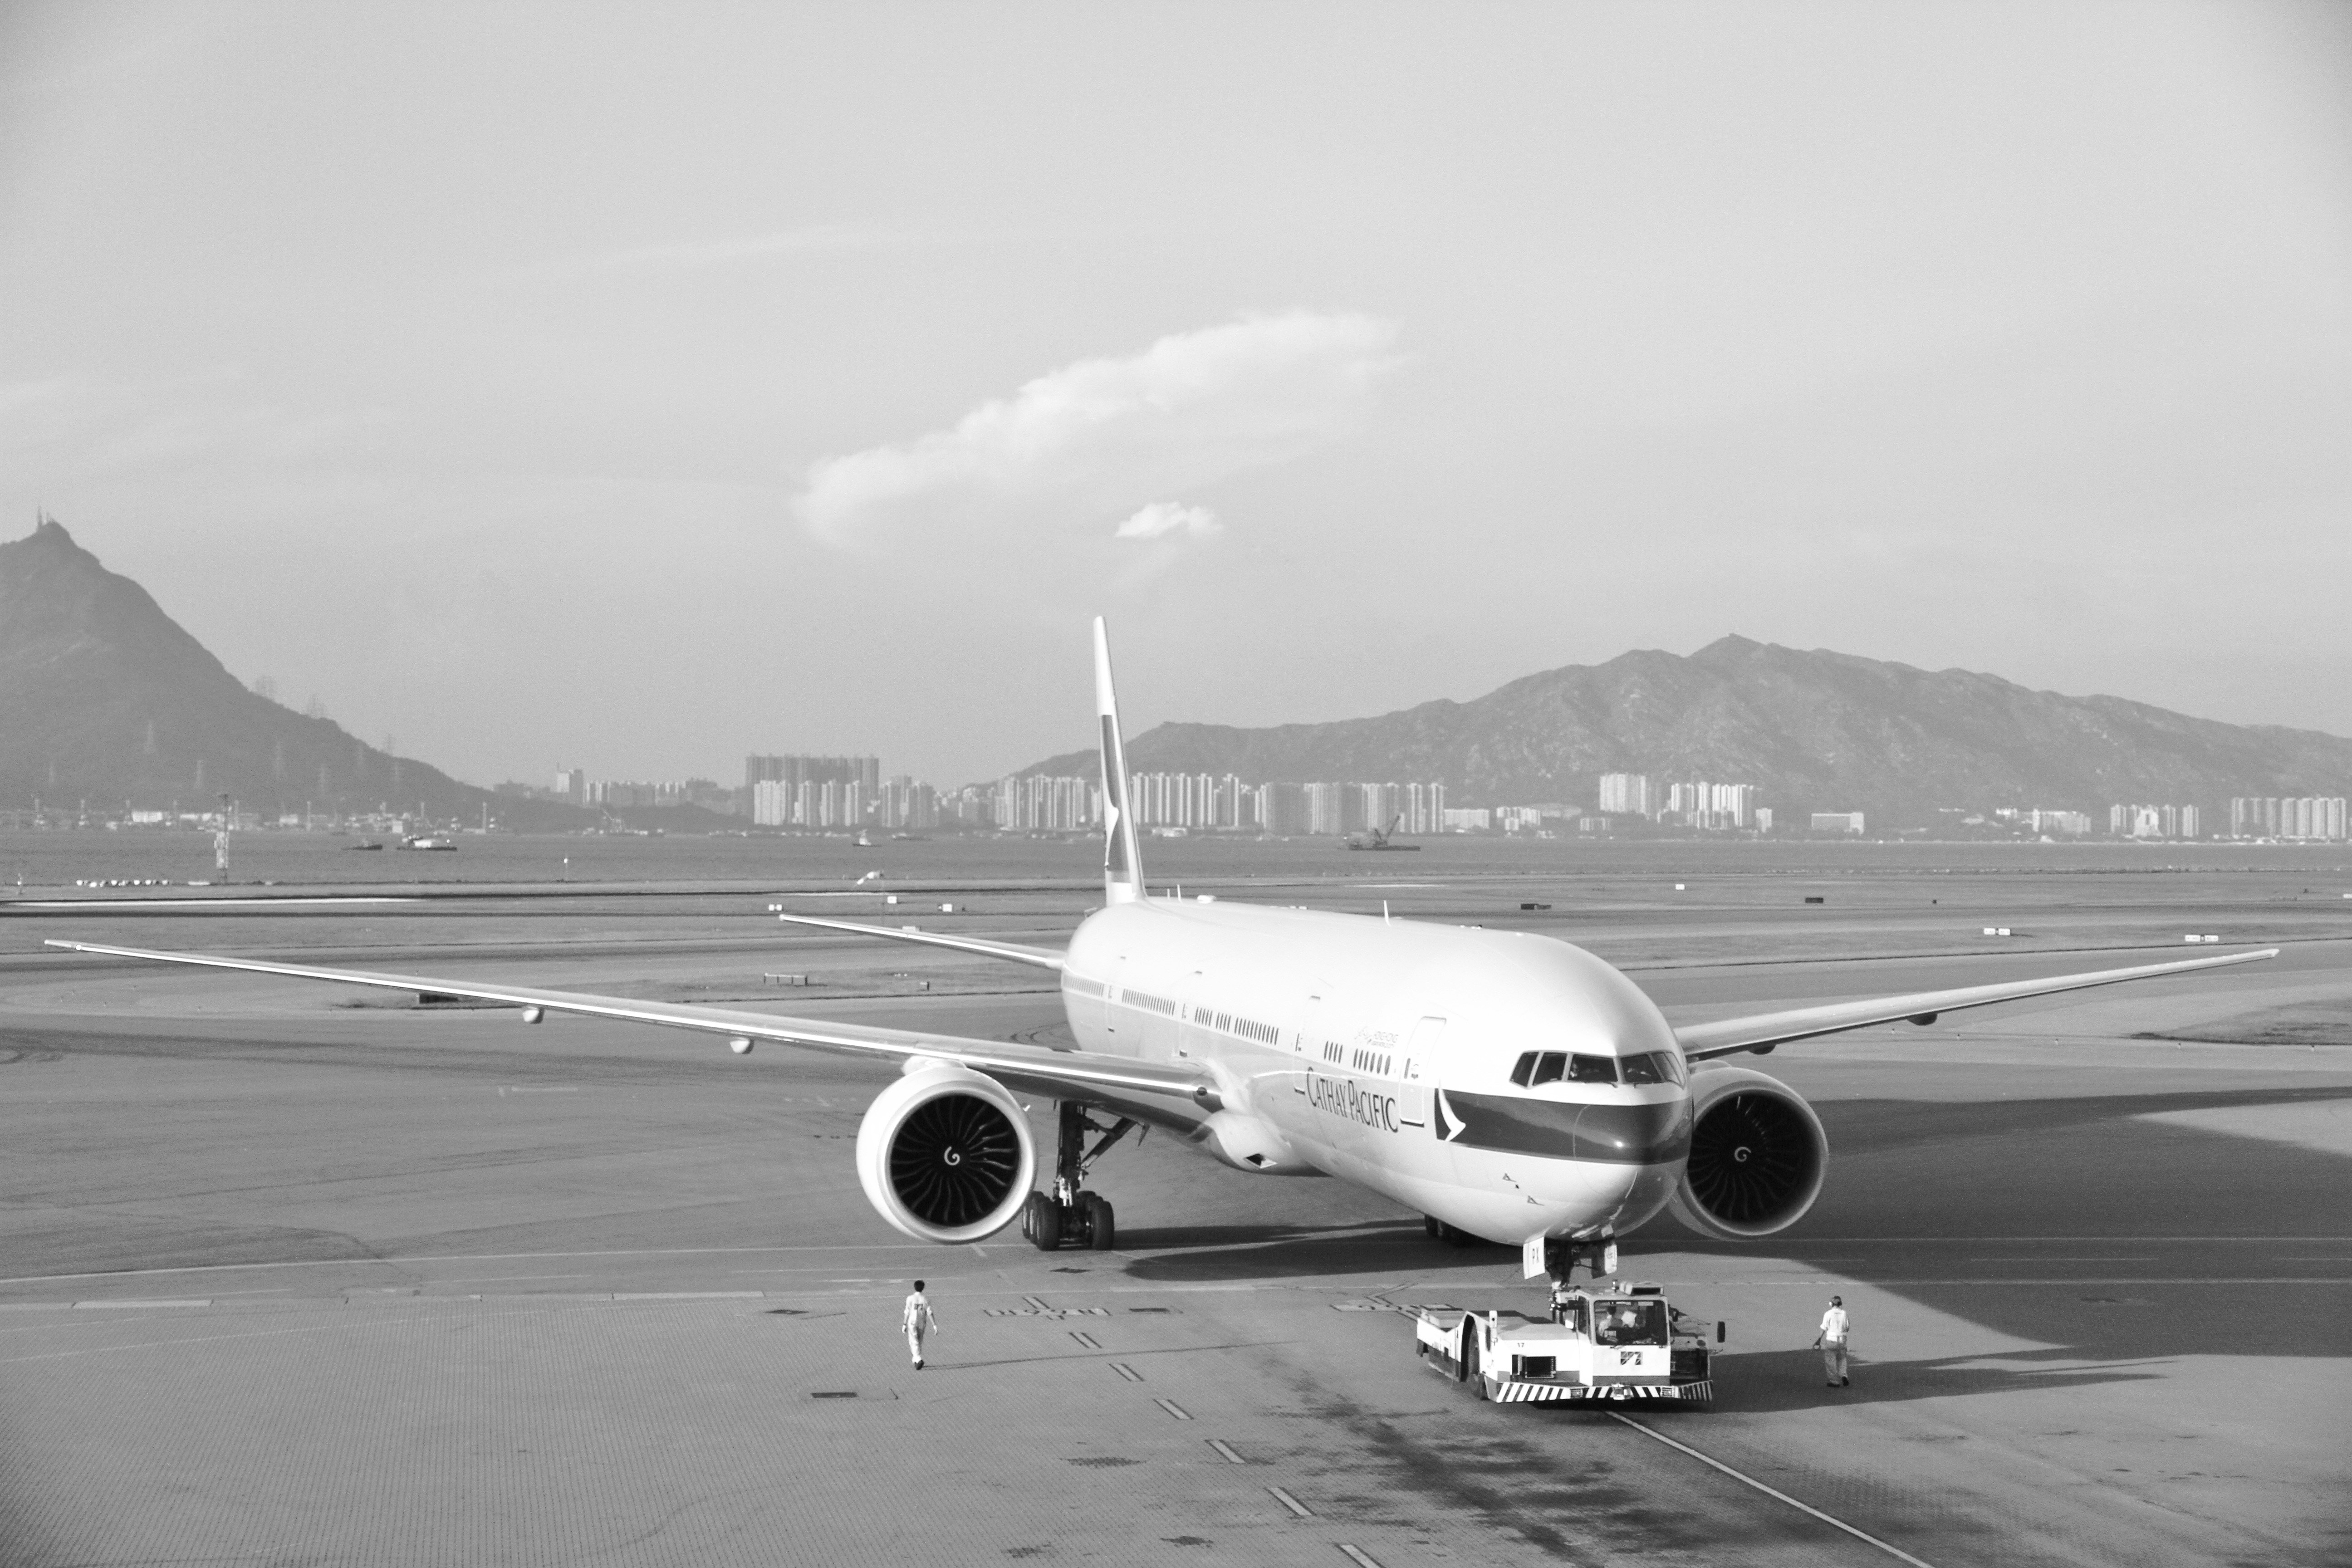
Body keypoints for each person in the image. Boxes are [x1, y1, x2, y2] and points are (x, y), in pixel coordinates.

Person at [1813, 1294, 1851, 1387]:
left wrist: (1819, 1340)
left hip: (1831, 1340)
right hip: (1842, 1340)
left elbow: (1824, 1328)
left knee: (1831, 1361)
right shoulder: (1844, 1313)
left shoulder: (1828, 1314)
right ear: (1840, 1304)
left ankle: (1834, 1381)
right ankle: (1844, 1375)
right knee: (1842, 1359)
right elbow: (1847, 1328)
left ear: (1831, 1304)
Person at [903, 1280, 938, 1371]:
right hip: (922, 1322)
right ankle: (915, 1360)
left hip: (912, 1322)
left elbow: (907, 1312)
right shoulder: (925, 1299)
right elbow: (930, 1313)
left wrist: (904, 1324)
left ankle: (918, 1359)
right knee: (919, 1341)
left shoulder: (910, 1298)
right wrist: (934, 1325)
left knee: (913, 1341)